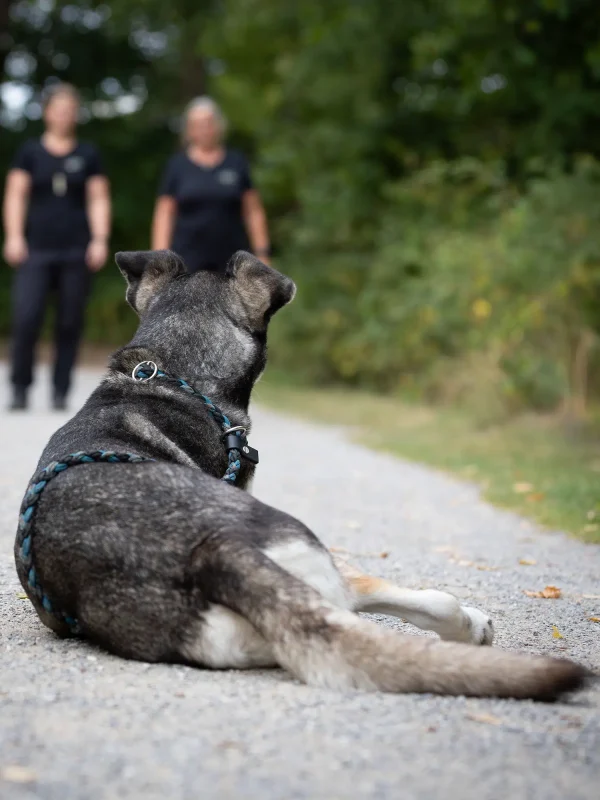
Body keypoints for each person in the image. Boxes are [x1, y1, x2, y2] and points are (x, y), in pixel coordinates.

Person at [2, 82, 111, 411]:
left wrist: (99, 239)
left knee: (69, 321)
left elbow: (98, 198)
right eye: (58, 109)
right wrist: (13, 236)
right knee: (27, 317)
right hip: (35, 249)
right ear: (47, 113)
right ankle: (20, 387)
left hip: (75, 250)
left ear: (75, 115)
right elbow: (15, 195)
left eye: (70, 111)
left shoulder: (88, 155)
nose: (64, 116)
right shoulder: (30, 153)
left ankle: (60, 390)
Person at [151, 96, 271, 272]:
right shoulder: (177, 166)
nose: (204, 129)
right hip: (187, 261)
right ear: (189, 130)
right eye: (197, 124)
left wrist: (262, 253)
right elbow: (164, 214)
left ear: (219, 125)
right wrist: (160, 257)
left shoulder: (236, 162)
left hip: (233, 261)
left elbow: (253, 210)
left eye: (208, 122)